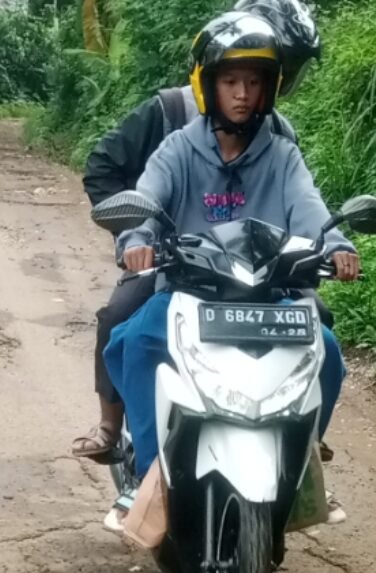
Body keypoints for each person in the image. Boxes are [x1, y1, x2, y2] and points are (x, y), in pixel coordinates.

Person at [103, 11, 360, 480]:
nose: (243, 94)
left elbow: (309, 207)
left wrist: (337, 244)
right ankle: (148, 473)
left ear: (269, 88)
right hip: (188, 292)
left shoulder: (281, 155)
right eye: (231, 81)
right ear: (208, 85)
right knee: (132, 342)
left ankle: (301, 463)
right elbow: (147, 199)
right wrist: (137, 238)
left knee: (327, 352)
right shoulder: (178, 149)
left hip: (269, 294)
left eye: (254, 82)